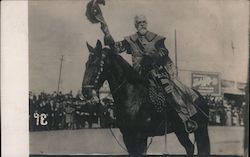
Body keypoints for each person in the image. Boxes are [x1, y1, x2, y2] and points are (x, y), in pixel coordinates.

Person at [100, 15, 200, 133]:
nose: (142, 24)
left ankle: (186, 119)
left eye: (144, 22)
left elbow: (164, 51)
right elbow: (115, 48)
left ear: (146, 23)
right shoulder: (131, 40)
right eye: (139, 23)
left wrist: (154, 55)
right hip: (137, 75)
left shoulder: (156, 38)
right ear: (136, 25)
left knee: (170, 91)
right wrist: (107, 32)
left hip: (156, 73)